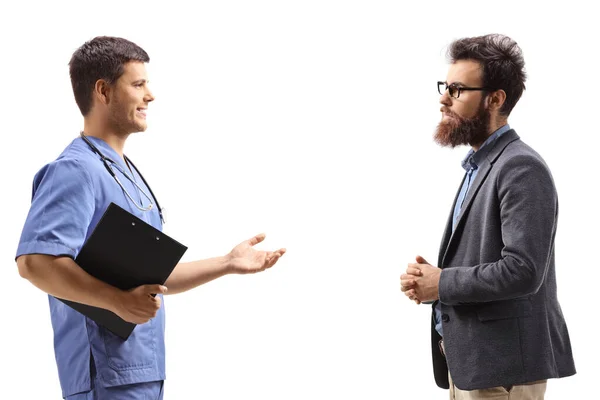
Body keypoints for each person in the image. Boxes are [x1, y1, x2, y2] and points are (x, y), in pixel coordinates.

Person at [15, 36, 286, 400]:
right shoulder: (75, 171)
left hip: (142, 375)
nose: (150, 95)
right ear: (103, 91)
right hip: (106, 380)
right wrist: (116, 301)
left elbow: (150, 280)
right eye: (138, 84)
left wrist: (226, 263)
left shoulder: (123, 173)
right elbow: (35, 262)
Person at [400, 34, 576, 399]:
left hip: (503, 372)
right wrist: (430, 283)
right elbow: (486, 261)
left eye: (457, 90)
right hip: (473, 367)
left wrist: (443, 283)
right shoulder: (480, 167)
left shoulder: (520, 167)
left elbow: (523, 271)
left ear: (495, 99)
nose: (443, 99)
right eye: (445, 87)